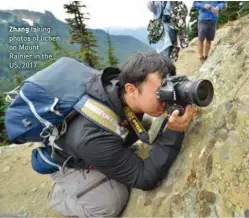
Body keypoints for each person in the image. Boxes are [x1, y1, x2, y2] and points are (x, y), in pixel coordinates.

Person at [47, 52, 197, 217]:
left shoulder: (122, 93)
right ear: (131, 89)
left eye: (168, 86)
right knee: (113, 201)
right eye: (160, 92)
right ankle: (59, 197)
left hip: (102, 139)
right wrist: (174, 131)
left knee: (147, 122)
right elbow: (144, 178)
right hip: (69, 162)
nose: (166, 95)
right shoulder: (91, 137)